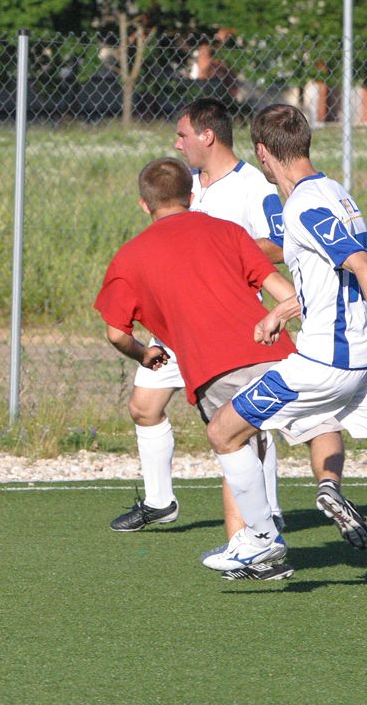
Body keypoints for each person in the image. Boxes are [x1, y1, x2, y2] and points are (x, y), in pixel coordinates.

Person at [95, 157, 313, 579]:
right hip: (278, 355)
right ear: (192, 196)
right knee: (303, 431)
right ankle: (306, 505)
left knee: (234, 444)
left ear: (143, 204)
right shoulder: (228, 231)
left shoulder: (130, 256)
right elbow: (287, 293)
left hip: (216, 366)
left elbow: (116, 333)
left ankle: (251, 547)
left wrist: (143, 354)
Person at [202, 104, 367, 573]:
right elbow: (332, 279)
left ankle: (259, 539)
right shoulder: (336, 192)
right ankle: (321, 492)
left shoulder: (305, 205)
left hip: (324, 364)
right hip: (352, 359)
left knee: (223, 430)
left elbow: (360, 265)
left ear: (262, 152)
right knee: (300, 424)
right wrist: (282, 309)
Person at [111, 98, 287, 535]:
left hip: (228, 323)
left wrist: (218, 255)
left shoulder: (253, 186)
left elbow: (281, 244)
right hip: (176, 321)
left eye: (182, 134)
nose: (177, 143)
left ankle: (266, 512)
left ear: (207, 136)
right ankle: (160, 502)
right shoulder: (184, 185)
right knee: (144, 407)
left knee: (248, 422)